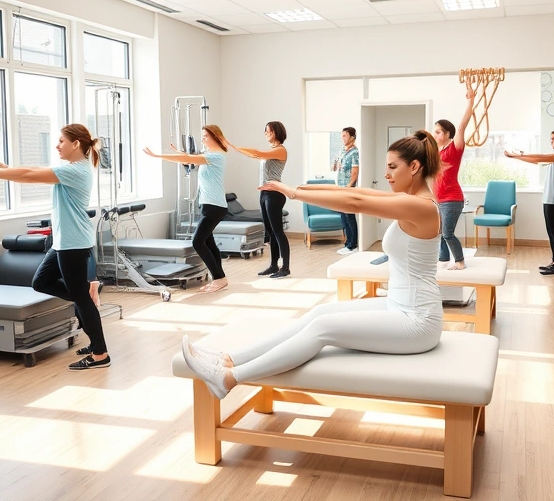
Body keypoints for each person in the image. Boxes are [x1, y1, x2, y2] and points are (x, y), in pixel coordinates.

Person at [180, 131, 444, 400]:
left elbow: (356, 202)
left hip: (419, 321)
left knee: (322, 329)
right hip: (398, 305)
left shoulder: (421, 206)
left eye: (392, 167)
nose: (386, 174)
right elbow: (351, 192)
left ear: (414, 167)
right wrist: (294, 189)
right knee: (319, 313)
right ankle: (230, 359)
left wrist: (294, 194)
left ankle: (228, 379)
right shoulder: (409, 200)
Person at [0, 124, 110, 370]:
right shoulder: (71, 168)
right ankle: (87, 292)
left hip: (74, 244)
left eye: (61, 141)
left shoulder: (77, 171)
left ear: (76, 143)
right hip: (63, 242)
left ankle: (100, 354)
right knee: (41, 282)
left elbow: (28, 175)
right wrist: (3, 167)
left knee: (80, 299)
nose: (57, 145)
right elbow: (33, 172)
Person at [143, 125, 230, 293]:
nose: (203, 138)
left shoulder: (216, 156)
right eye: (202, 135)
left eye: (206, 136)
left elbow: (188, 159)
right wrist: (183, 155)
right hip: (209, 205)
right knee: (209, 243)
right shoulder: (209, 156)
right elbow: (189, 158)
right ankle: (219, 278)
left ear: (215, 137)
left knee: (198, 241)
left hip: (215, 206)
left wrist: (157, 155)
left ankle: (219, 278)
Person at [226, 121, 290, 279]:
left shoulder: (280, 150)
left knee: (278, 231)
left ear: (274, 132)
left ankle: (285, 267)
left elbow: (256, 152)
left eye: (267, 131)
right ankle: (274, 265)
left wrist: (232, 146)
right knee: (270, 232)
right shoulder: (270, 151)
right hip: (264, 194)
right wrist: (235, 149)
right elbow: (253, 154)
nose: (265, 133)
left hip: (275, 194)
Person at [504, 129, 554, 275]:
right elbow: (535, 161)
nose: (551, 140)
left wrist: (516, 155)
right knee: (551, 230)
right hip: (549, 198)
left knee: (553, 230)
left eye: (553, 138)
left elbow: (539, 157)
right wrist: (516, 157)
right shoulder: (553, 157)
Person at [431, 81, 476, 270]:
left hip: (452, 198)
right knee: (439, 232)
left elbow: (462, 126)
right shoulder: (436, 151)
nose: (435, 134)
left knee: (448, 233)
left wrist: (470, 102)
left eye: (439, 132)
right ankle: (443, 259)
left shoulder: (455, 148)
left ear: (448, 133)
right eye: (435, 131)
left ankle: (460, 262)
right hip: (438, 199)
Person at [331, 126, 360, 255]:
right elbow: (334, 168)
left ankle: (352, 244)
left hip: (348, 189)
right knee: (343, 217)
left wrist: (349, 186)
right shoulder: (342, 150)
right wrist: (335, 164)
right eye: (341, 136)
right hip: (340, 188)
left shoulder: (355, 152)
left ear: (352, 137)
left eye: (345, 136)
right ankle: (347, 243)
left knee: (349, 216)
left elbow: (355, 172)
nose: (342, 138)